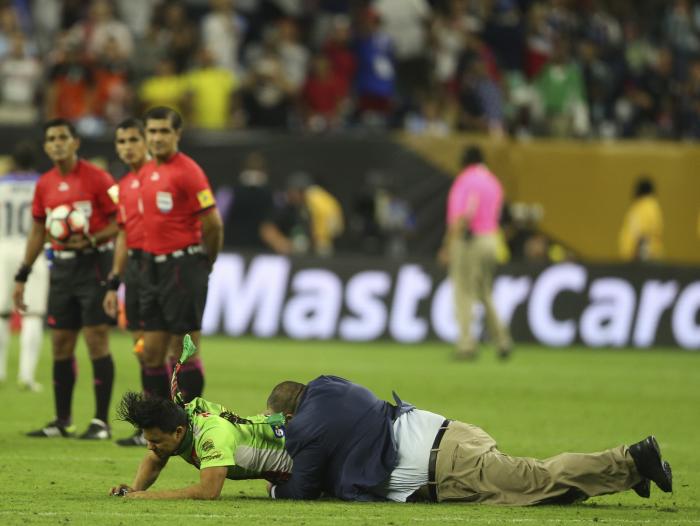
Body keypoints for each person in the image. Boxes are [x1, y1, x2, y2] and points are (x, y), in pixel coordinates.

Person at [265, 376, 673, 504]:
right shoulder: (327, 385)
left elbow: (300, 489)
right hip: (450, 437)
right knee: (543, 493)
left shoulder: (305, 427)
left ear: (287, 415)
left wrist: (270, 484)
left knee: (537, 480)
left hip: (448, 463)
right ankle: (623, 473)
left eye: (276, 422)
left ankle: (633, 458)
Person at [13, 119, 119, 439]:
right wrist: (23, 273)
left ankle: (100, 422)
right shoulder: (44, 184)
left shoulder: (98, 178)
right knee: (60, 343)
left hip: (94, 264)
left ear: (75, 142)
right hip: (61, 268)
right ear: (46, 146)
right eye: (51, 139)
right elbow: (37, 231)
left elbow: (121, 221)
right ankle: (62, 420)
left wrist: (91, 239)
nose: (57, 143)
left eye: (63, 137)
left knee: (96, 339)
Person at [109, 337, 292, 500]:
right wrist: (134, 490)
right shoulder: (180, 422)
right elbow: (155, 459)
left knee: (291, 491)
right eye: (147, 440)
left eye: (155, 440)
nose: (150, 446)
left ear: (178, 432)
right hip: (287, 456)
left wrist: (147, 496)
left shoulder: (211, 435)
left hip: (300, 458)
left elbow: (209, 491)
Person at [138, 106, 223, 403]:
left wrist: (205, 261)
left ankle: (188, 422)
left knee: (183, 349)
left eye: (164, 131)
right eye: (152, 131)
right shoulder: (147, 170)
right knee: (150, 351)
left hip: (183, 267)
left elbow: (213, 224)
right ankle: (158, 422)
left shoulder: (188, 171)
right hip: (153, 268)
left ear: (177, 134)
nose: (158, 137)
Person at [102, 118, 151, 446]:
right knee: (143, 349)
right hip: (135, 273)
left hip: (167, 271)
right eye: (121, 142)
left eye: (133, 140)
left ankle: (174, 420)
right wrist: (114, 281)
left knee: (168, 348)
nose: (127, 147)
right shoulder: (124, 185)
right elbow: (123, 235)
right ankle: (152, 423)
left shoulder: (166, 176)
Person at [439, 145, 511, 361]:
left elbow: (464, 214)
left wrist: (447, 245)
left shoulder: (466, 180)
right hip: (491, 239)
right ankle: (502, 340)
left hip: (470, 240)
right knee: (485, 292)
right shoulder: (493, 182)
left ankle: (466, 344)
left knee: (463, 291)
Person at [0, 141, 48, 392]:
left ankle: (0, 370)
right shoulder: (42, 184)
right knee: (33, 314)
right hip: (33, 252)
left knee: (1, 314)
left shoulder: (1, 184)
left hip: (2, 249)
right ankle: (26, 376)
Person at [618, 177, 664, 261]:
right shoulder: (650, 206)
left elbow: (643, 234)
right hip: (641, 257)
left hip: (640, 258)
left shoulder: (646, 206)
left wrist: (639, 257)